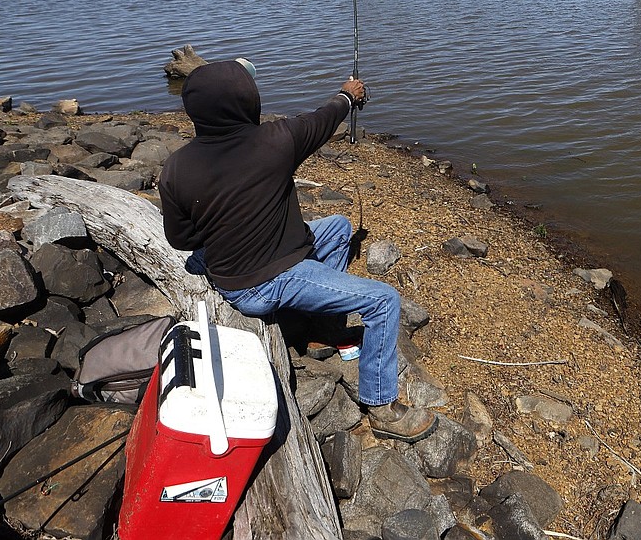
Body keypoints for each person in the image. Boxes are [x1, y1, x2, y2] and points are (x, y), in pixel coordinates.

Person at [158, 59, 437, 443]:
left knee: (338, 227)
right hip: (266, 282)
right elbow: (325, 118)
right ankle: (381, 406)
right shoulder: (276, 140)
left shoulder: (175, 168)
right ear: (247, 102)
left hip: (233, 272)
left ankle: (322, 323)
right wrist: (348, 94)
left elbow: (182, 240)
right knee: (385, 301)